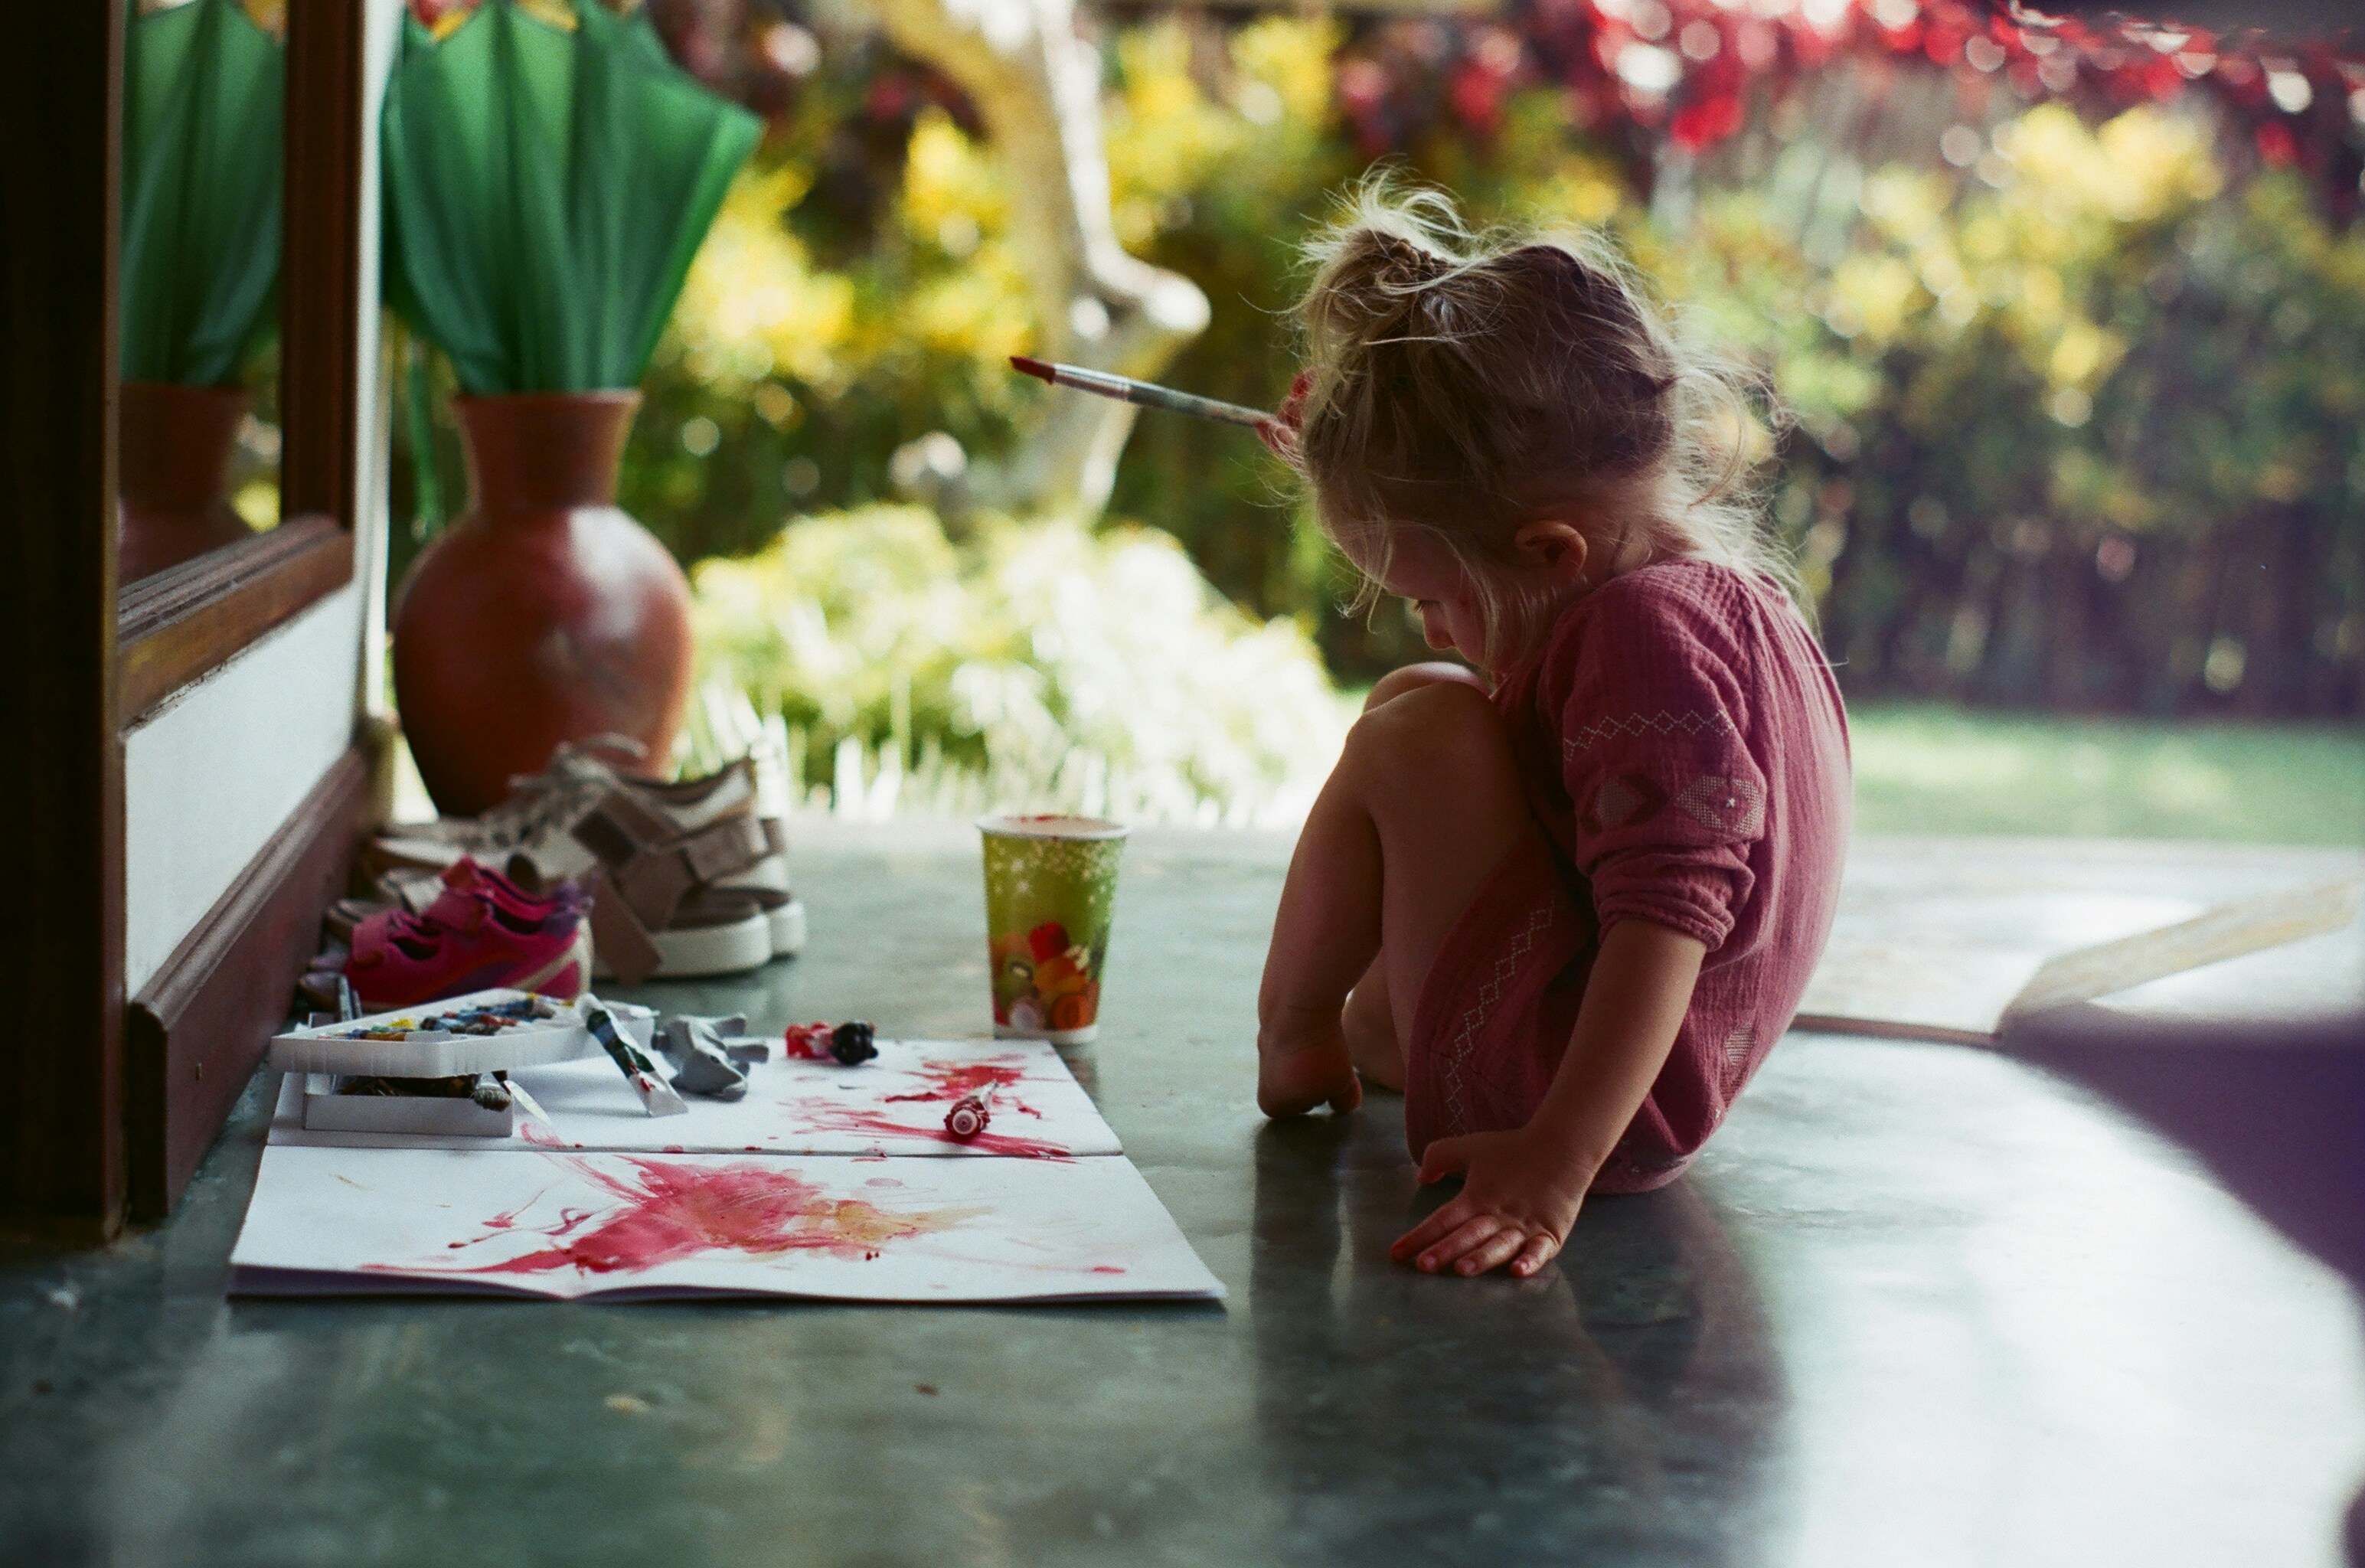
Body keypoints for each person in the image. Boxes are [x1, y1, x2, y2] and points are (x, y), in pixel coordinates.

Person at [1254, 181, 1851, 1279]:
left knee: (1412, 729)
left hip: (1581, 1112)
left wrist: (1557, 1163)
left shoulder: (1639, 636)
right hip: (1591, 1072)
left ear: (1548, 553)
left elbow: (1666, 916)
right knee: (1423, 692)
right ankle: (1339, 1037)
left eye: (1434, 593)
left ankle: (1295, 1037)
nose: (1430, 620)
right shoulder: (1706, 596)